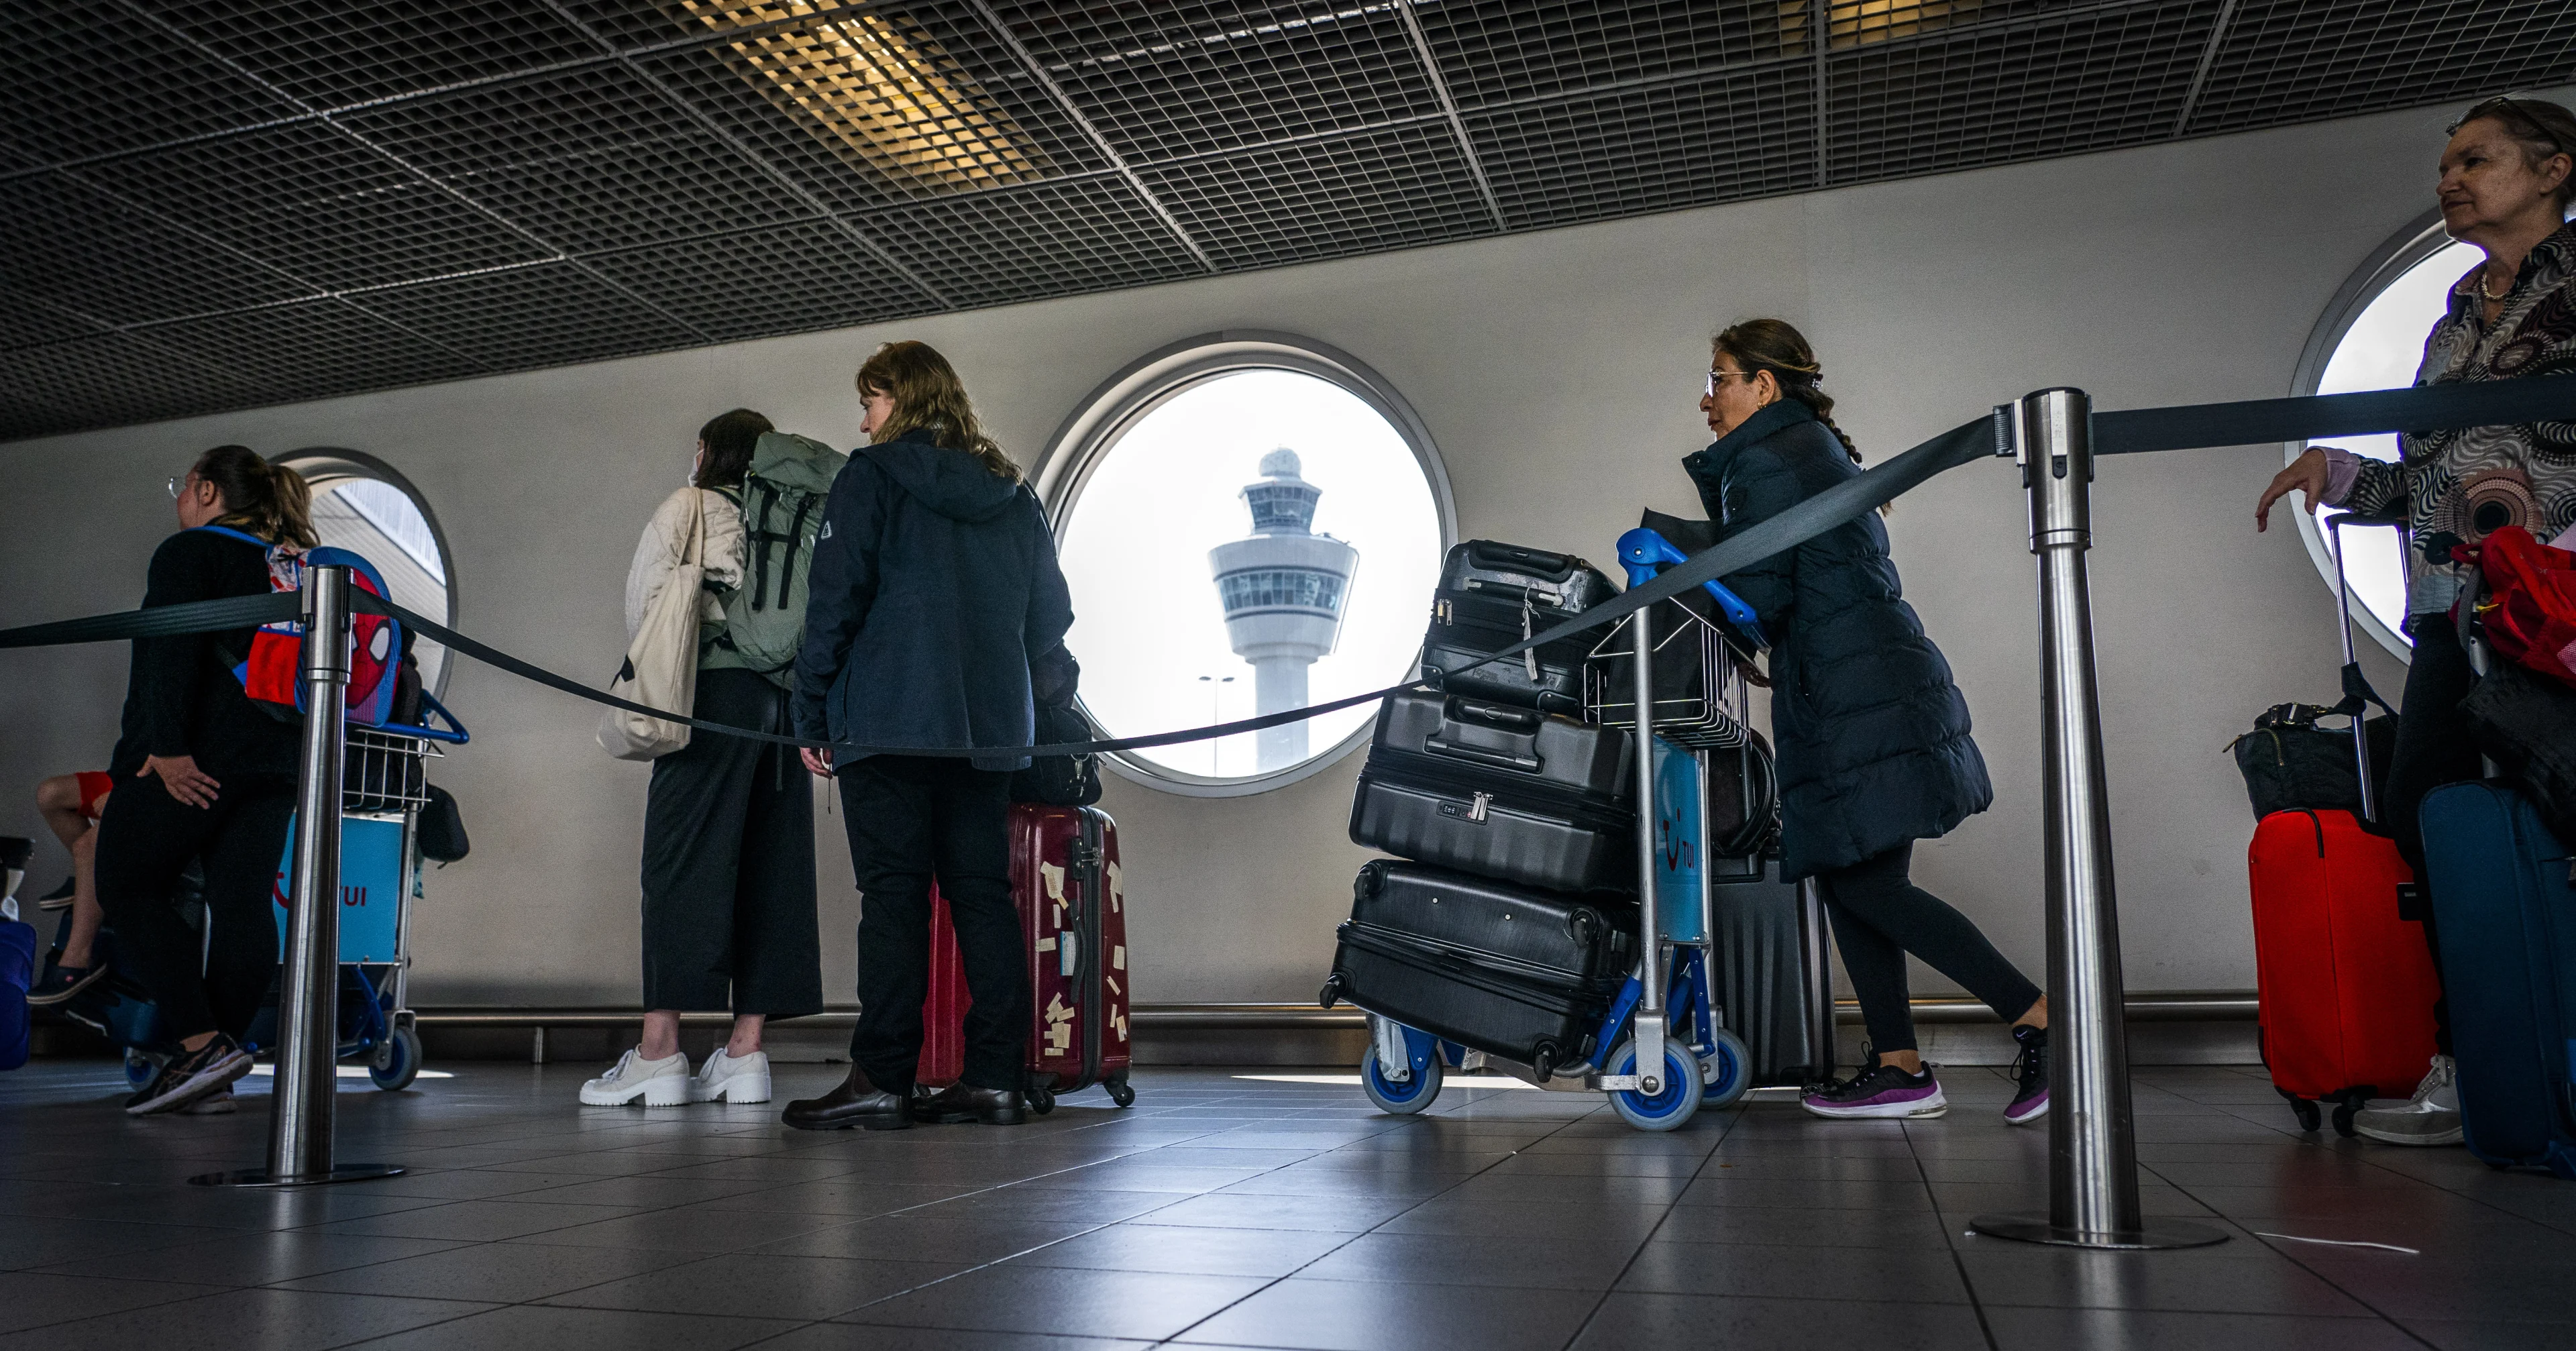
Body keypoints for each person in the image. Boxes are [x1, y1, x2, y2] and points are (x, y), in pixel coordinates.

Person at [2257, 95, 2576, 1148]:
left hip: (2558, 608)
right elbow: (2433, 479)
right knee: (2424, 816)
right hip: (2452, 610)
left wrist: (2537, 519)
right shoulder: (2451, 317)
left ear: (2553, 170)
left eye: (2476, 160)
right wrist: (2342, 470)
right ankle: (2473, 1053)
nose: (2450, 179)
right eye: (2447, 164)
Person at [1686, 319, 2050, 1122]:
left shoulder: (1762, 460)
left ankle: (2041, 1020)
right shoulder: (1810, 448)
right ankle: (1900, 1067)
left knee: (1859, 881)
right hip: (1870, 680)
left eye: (1720, 378)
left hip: (1851, 696)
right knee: (1862, 880)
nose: (1706, 399)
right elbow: (1795, 586)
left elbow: (1763, 589)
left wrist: (1682, 578)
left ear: (1764, 386)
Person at [782, 341, 1074, 1132]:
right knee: (983, 895)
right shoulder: (1013, 493)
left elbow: (835, 603)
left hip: (889, 720)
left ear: (902, 400)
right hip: (986, 731)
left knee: (894, 899)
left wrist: (810, 714)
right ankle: (995, 1077)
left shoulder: (870, 477)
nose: (865, 418)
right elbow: (1051, 619)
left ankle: (882, 1078)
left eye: (871, 401)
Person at [581, 409, 828, 1108]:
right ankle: (746, 1053)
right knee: (771, 870)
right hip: (782, 706)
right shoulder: (786, 519)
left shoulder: (689, 506)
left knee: (681, 862)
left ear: (706, 452)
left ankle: (659, 1052)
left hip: (709, 696)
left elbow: (646, 611)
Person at [95, 446, 311, 1115]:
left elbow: (172, 649)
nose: (178, 499)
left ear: (211, 492)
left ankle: (201, 1045)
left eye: (183, 487)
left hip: (198, 758)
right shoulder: (290, 565)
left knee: (126, 881)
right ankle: (208, 1058)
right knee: (242, 902)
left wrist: (166, 749)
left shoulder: (189, 554)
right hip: (278, 759)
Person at [24, 771, 113, 1006]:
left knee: (89, 846)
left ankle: (79, 961)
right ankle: (93, 879)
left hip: (171, 783)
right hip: (136, 774)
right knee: (51, 793)